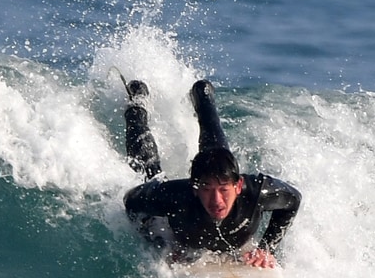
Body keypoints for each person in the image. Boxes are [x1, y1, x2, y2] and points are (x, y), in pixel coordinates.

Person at [122, 79, 301, 267]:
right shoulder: (175, 197)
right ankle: (137, 104)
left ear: (238, 186)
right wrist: (161, 242)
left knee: (216, 149)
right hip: (173, 210)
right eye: (207, 189)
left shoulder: (256, 194)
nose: (216, 200)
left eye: (224, 190)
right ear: (195, 188)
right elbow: (131, 201)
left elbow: (293, 200)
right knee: (149, 169)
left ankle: (202, 95)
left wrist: (266, 248)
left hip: (219, 174)